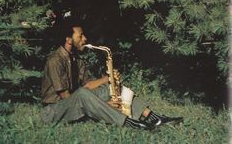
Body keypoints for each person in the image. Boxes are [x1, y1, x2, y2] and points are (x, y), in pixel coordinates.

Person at [41, 19, 183, 130]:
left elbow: (88, 85)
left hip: (76, 101)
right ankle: (128, 123)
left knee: (111, 87)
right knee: (83, 94)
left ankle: (155, 117)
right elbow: (67, 97)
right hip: (54, 111)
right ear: (69, 39)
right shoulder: (55, 60)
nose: (84, 39)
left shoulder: (76, 59)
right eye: (80, 35)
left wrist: (109, 80)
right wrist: (104, 104)